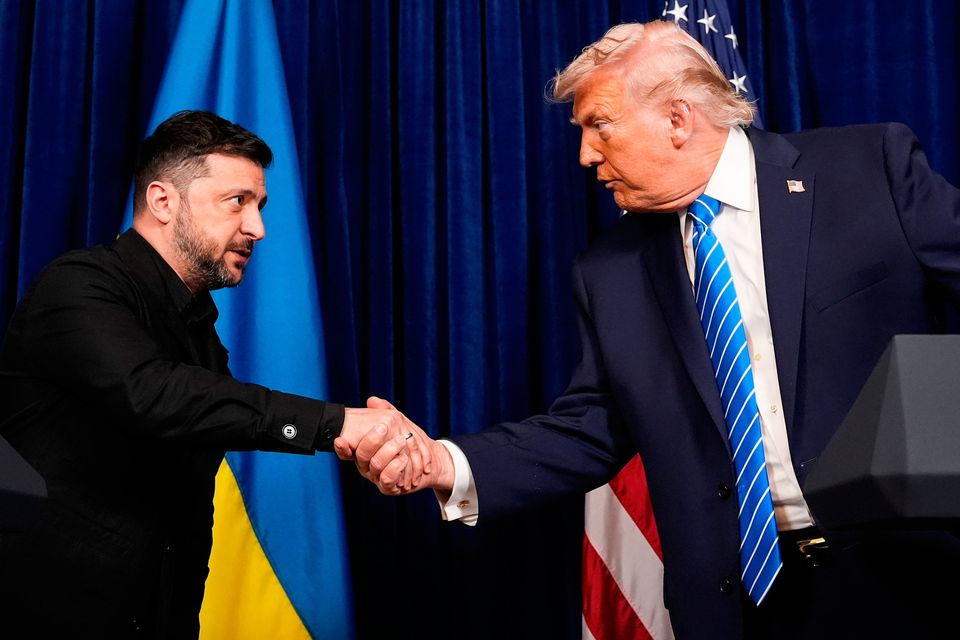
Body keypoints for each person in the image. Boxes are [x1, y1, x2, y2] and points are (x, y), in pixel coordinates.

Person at [340, 20, 960, 640]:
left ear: (677, 118)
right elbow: (591, 429)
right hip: (735, 608)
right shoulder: (609, 272)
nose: (585, 153)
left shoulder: (868, 168)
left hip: (909, 579)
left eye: (599, 125)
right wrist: (445, 464)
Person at [0, 110, 426, 638]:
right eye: (237, 202)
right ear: (162, 201)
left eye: (260, 206)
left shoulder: (199, 329)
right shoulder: (78, 285)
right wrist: (339, 424)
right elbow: (154, 395)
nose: (258, 228)